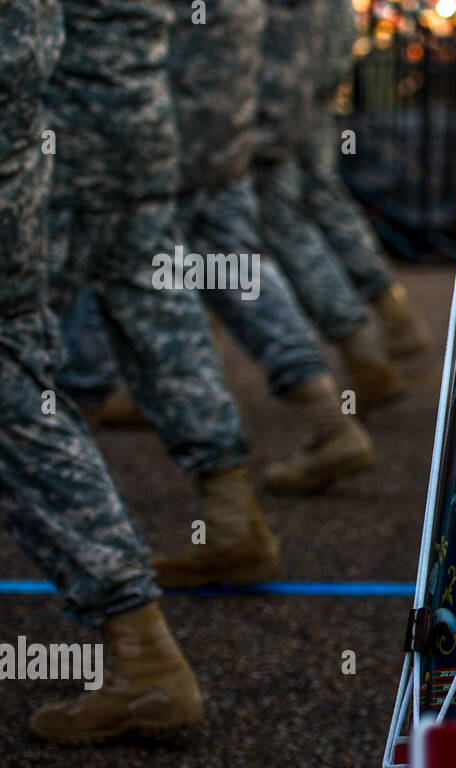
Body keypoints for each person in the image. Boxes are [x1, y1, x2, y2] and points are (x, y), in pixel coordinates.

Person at [1, 0, 202, 745]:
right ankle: (230, 498)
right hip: (78, 130)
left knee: (16, 388)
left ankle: (139, 637)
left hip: (71, 132)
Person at [44, 0, 280, 588]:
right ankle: (231, 523)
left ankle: (119, 598)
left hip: (62, 140)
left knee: (17, 354)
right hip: (143, 127)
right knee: (164, 319)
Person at [254, 0, 406, 411]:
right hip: (293, 100)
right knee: (311, 208)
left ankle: (348, 368)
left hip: (264, 109)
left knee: (262, 233)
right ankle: (382, 328)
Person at [298, 0, 431, 361]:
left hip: (277, 107)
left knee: (272, 226)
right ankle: (389, 316)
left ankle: (349, 349)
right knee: (322, 203)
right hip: (303, 102)